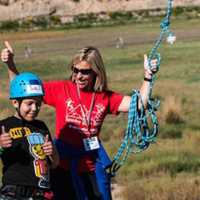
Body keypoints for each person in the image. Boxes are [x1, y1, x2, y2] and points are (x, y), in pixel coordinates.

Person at [1, 41, 158, 200]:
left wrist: (148, 76)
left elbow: (139, 104)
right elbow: (22, 91)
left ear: (96, 72)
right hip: (61, 165)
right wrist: (10, 64)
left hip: (92, 167)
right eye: (75, 70)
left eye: (84, 72)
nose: (78, 76)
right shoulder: (62, 89)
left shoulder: (106, 97)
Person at [0, 71, 59, 200]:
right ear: (15, 103)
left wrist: (52, 151)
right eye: (29, 103)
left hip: (40, 193)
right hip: (13, 192)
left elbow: (54, 163)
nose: (34, 108)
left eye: (38, 104)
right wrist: (1, 146)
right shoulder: (4, 126)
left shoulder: (41, 126)